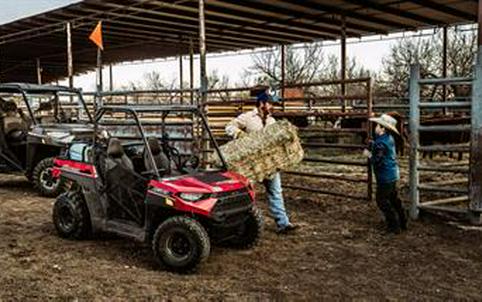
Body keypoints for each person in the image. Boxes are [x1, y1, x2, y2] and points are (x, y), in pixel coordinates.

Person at [225, 86, 298, 234]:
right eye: (270, 103)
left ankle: (283, 224)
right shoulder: (247, 117)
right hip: (251, 166)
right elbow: (229, 126)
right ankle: (242, 223)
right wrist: (238, 134)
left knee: (276, 192)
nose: (272, 107)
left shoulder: (272, 122)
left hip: (269, 164)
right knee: (246, 193)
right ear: (262, 103)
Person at [363, 114, 407, 234]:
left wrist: (369, 155)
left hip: (384, 177)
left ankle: (393, 226)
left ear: (382, 128)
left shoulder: (381, 143)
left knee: (381, 200)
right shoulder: (389, 138)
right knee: (393, 199)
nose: (375, 127)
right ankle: (403, 221)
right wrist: (373, 144)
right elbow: (382, 151)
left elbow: (378, 161)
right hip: (393, 174)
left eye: (377, 125)